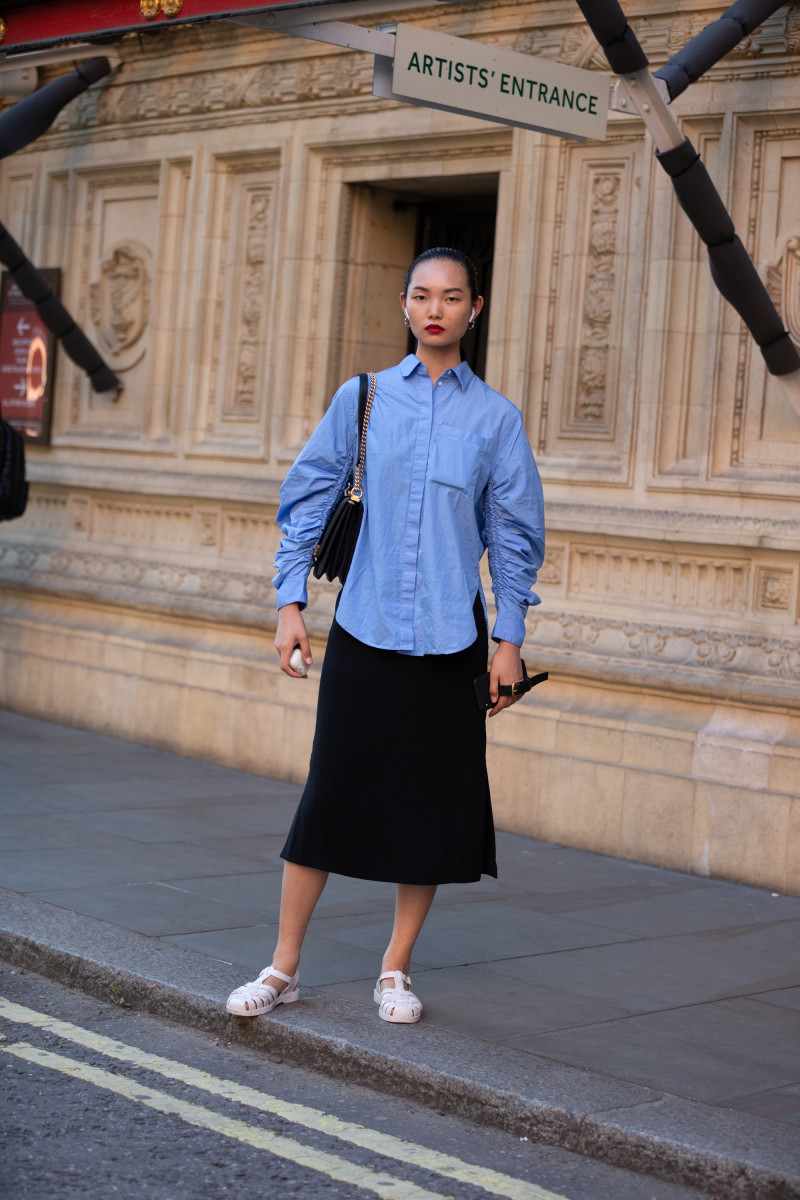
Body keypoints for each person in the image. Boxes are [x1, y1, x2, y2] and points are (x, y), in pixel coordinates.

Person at [226, 247, 545, 1025]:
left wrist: (509, 639)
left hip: (450, 642)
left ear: (477, 309)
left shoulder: (496, 420)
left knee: (430, 807)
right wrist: (287, 603)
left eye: (452, 296)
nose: (436, 309)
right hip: (366, 631)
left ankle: (395, 968)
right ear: (405, 307)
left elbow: (511, 537)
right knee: (329, 795)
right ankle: (283, 967)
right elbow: (308, 498)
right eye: (422, 296)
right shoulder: (362, 398)